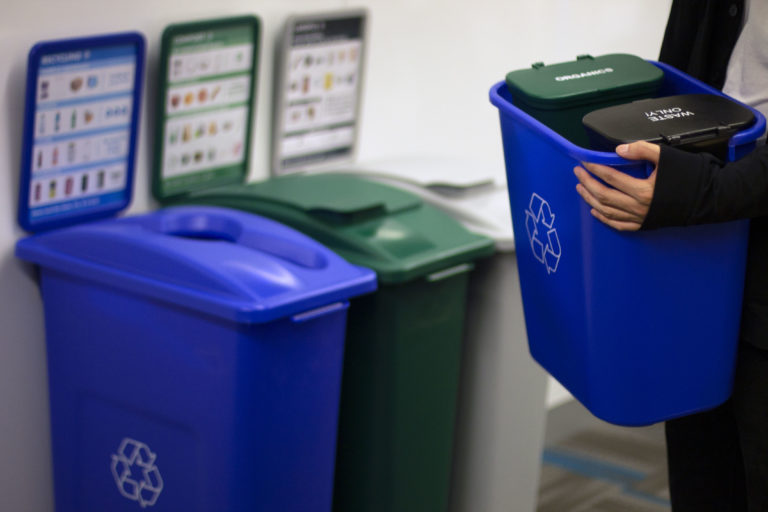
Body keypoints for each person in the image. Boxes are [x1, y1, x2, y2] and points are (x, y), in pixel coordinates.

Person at [573, 1, 768, 510]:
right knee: (702, 474)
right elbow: (683, 72)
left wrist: (696, 190)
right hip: (708, 252)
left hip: (725, 215)